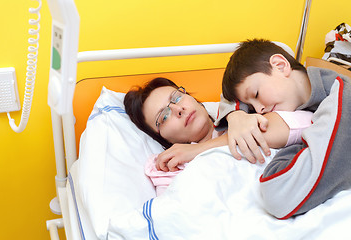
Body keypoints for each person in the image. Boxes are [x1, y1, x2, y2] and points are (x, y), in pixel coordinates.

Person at [218, 38, 351, 219]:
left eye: (256, 95)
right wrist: (236, 116)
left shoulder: (342, 97)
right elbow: (227, 97)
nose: (258, 110)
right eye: (250, 106)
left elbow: (278, 193)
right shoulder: (304, 106)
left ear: (280, 66)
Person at [124, 77, 312, 195]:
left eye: (176, 98)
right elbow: (176, 215)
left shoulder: (243, 110)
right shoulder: (171, 167)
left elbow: (307, 122)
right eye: (164, 116)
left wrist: (199, 149)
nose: (178, 109)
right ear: (163, 138)